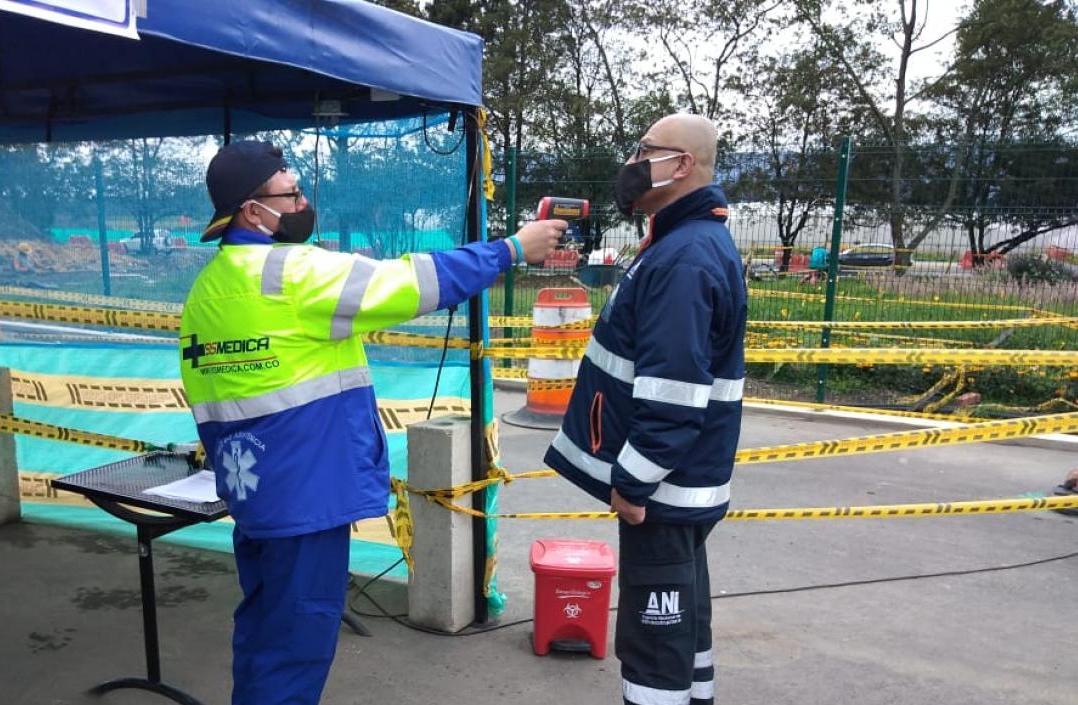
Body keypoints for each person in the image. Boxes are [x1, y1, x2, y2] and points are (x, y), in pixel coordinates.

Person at [178, 141, 565, 705]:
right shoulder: (292, 273)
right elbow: (412, 282)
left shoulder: (208, 289)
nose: (303, 203)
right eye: (291, 194)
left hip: (254, 494)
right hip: (306, 498)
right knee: (296, 648)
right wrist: (511, 248)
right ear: (251, 211)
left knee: (265, 632)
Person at [544, 114, 747, 705]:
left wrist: (633, 482)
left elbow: (673, 390)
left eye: (644, 150)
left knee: (654, 642)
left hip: (661, 492)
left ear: (681, 165)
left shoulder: (685, 257)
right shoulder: (681, 242)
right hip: (678, 488)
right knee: (685, 624)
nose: (632, 162)